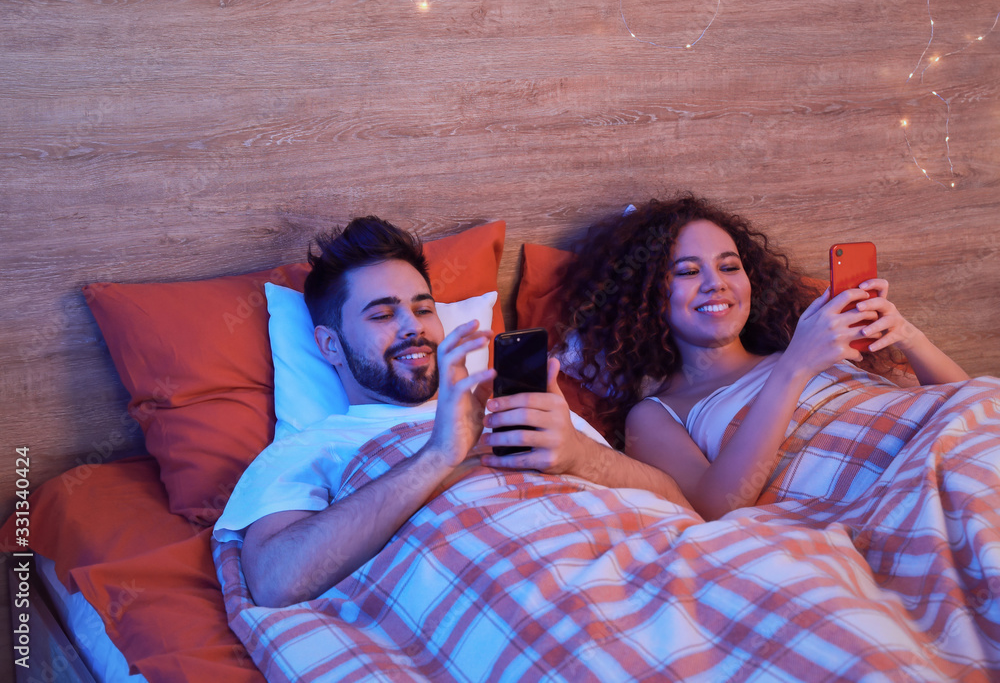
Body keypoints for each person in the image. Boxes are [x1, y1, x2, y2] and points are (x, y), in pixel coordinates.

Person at [213, 215, 690, 608]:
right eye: (381, 315)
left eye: (423, 309)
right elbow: (277, 582)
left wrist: (580, 456)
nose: (411, 328)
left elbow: (682, 507)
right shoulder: (308, 447)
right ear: (329, 345)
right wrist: (438, 457)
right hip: (526, 603)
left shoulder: (535, 411)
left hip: (663, 578)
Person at [555, 195, 969, 521]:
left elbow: (966, 403)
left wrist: (909, 337)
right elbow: (718, 509)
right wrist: (795, 367)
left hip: (958, 449)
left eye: (729, 266)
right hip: (893, 497)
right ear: (645, 297)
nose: (715, 284)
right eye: (686, 272)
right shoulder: (656, 414)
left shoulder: (812, 345)